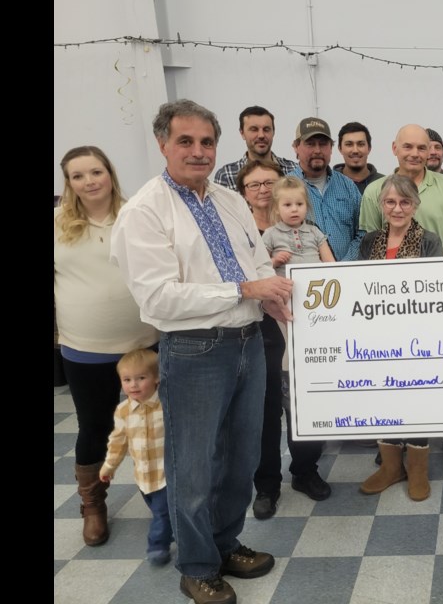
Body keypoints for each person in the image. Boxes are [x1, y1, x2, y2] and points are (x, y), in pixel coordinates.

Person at [111, 99, 293, 604]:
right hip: (193, 350)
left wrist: (272, 295)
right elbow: (158, 297)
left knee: (242, 456)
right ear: (162, 144)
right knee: (194, 467)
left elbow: (256, 263)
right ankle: (195, 566)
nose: (198, 151)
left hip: (248, 343)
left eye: (207, 142)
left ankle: (224, 543)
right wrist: (245, 290)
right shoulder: (145, 211)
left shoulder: (230, 200)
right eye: (185, 141)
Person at [55, 146, 158, 547]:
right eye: (78, 176)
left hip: (143, 343)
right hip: (84, 346)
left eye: (95, 171)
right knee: (94, 428)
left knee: (155, 425)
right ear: (69, 183)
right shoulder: (58, 223)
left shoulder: (137, 217)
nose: (89, 181)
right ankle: (93, 506)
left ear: (110, 173)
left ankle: (162, 498)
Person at [234, 161, 328, 520]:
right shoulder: (245, 232)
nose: (261, 188)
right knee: (267, 409)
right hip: (264, 329)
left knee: (309, 403)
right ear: (246, 192)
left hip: (309, 324)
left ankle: (305, 471)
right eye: (254, 184)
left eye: (267, 182)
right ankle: (267, 486)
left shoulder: (310, 231)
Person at [357, 175, 443, 501]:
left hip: (417, 337)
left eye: (404, 202)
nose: (397, 208)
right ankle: (392, 466)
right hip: (377, 336)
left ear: (415, 205)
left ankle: (418, 468)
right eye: (391, 202)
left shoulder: (429, 241)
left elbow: (435, 289)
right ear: (382, 205)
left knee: (416, 400)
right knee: (383, 399)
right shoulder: (370, 243)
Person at [99, 349, 171, 565]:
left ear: (156, 377)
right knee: (160, 511)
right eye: (127, 380)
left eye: (141, 378)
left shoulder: (167, 405)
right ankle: (173, 529)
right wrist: (109, 466)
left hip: (166, 474)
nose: (134, 385)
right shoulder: (123, 411)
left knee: (162, 513)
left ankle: (158, 546)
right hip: (143, 477)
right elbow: (118, 440)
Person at [360, 124, 443, 256]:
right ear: (394, 148)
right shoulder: (374, 191)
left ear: (428, 152)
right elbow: (370, 245)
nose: (415, 154)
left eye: (421, 148)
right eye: (408, 147)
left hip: (436, 274)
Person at [289, 116, 364, 261]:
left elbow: (362, 232)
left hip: (347, 274)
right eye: (310, 144)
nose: (317, 150)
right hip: (302, 277)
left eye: (323, 144)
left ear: (331, 148)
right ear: (296, 147)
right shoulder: (285, 187)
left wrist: (343, 266)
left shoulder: (348, 186)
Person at [263, 176, 337, 275]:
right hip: (286, 288)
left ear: (306, 206)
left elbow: (330, 263)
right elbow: (261, 267)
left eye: (299, 204)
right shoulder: (270, 234)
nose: (294, 209)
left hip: (317, 285)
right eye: (288, 205)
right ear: (276, 208)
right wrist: (275, 261)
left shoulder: (315, 232)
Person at [213, 105, 299, 190]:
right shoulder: (226, 176)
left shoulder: (293, 170)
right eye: (254, 129)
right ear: (242, 133)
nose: (261, 135)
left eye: (266, 129)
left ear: (273, 132)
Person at [333, 122, 385, 194]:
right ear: (340, 149)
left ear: (369, 148)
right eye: (349, 144)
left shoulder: (384, 184)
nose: (355, 150)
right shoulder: (330, 183)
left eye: (361, 144)